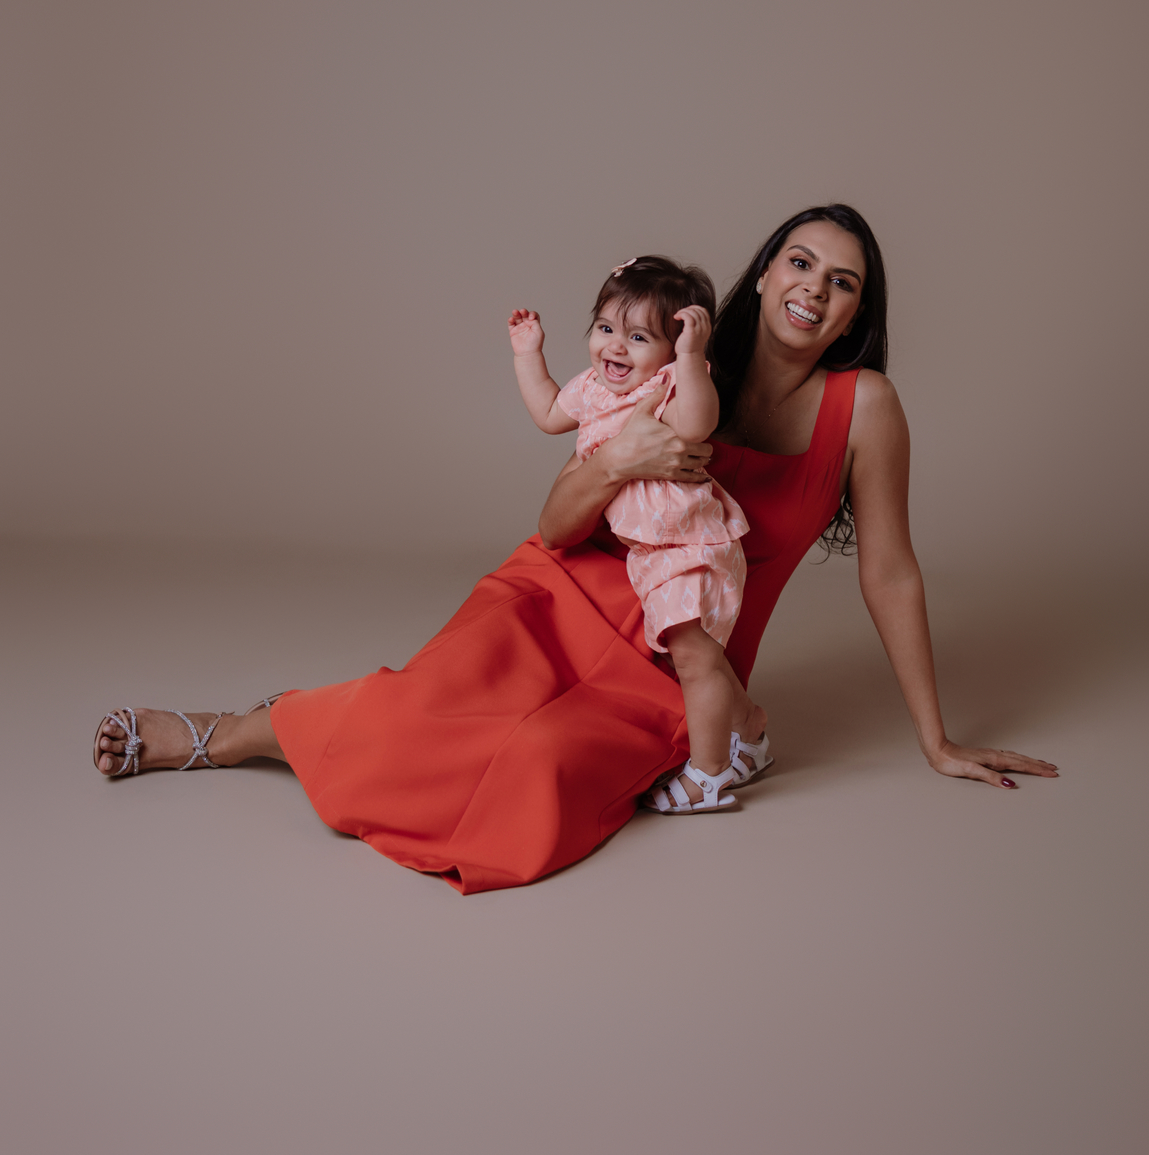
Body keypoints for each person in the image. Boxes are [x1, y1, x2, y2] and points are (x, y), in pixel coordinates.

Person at [93, 204, 1058, 893]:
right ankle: (235, 732)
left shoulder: (866, 409)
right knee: (415, 713)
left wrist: (935, 739)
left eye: (842, 282)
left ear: (856, 314)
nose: (815, 288)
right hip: (560, 589)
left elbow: (890, 573)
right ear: (766, 272)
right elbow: (559, 521)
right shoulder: (670, 350)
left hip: (678, 655)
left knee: (536, 768)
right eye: (800, 263)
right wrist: (622, 457)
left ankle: (720, 741)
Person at [508, 254, 760, 814]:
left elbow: (696, 424)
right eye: (604, 329)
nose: (615, 348)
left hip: (690, 546)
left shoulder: (671, 383)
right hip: (652, 552)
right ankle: (751, 730)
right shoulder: (594, 389)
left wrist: (692, 358)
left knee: (694, 660)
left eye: (639, 337)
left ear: (671, 350)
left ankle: (709, 775)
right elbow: (549, 413)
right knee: (695, 656)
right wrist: (529, 355)